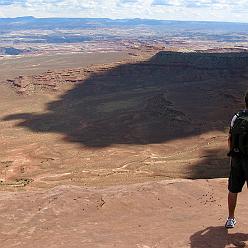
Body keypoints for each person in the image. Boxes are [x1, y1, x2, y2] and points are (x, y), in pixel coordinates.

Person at [225, 91, 248, 228]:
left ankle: (230, 219)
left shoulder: (236, 117)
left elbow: (230, 138)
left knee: (233, 190)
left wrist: (232, 154)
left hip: (237, 158)